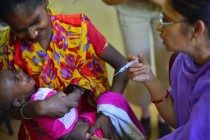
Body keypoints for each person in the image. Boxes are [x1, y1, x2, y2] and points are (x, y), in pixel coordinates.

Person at [0, 0, 129, 139]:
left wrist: (108, 113)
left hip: (95, 121)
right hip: (42, 132)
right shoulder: (7, 48)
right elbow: (7, 105)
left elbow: (122, 65)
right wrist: (37, 108)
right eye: (20, 30)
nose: (32, 34)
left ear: (45, 1)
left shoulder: (78, 28)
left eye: (35, 21)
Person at [127, 0, 210, 139]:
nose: (159, 27)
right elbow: (179, 119)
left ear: (196, 29)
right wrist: (150, 79)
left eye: (166, 20)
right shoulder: (183, 60)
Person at [0, 69, 146, 140]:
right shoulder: (41, 99)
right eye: (16, 79)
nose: (20, 73)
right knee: (106, 102)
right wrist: (79, 87)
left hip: (75, 124)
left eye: (14, 71)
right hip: (77, 134)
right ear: (18, 101)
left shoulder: (34, 99)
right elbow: (71, 102)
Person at [102, 0, 171, 138]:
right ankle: (145, 113)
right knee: (137, 65)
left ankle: (163, 117)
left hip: (168, 6)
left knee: (167, 64)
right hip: (132, 8)